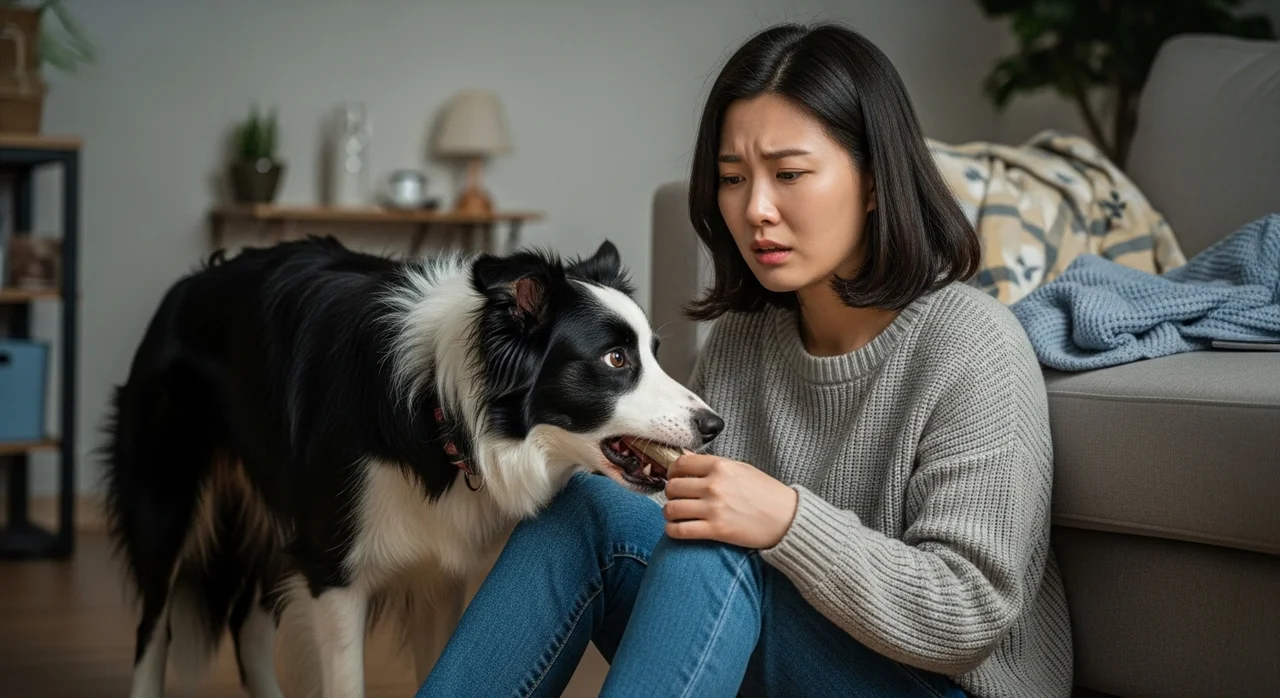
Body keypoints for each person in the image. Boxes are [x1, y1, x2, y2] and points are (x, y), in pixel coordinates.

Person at [416, 21, 1072, 698]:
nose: (756, 208)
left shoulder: (974, 344)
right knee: (592, 508)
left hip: (942, 687)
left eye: (789, 174)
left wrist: (789, 522)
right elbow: (668, 511)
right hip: (783, 651)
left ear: (873, 182)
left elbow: (969, 616)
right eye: (733, 178)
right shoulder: (743, 339)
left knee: (716, 546)